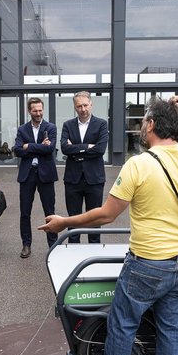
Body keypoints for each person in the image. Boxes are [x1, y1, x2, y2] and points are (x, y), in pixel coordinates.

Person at [40, 95, 178, 355]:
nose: (141, 125)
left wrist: (64, 221)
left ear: (151, 126)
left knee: (122, 325)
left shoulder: (139, 164)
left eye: (144, 121)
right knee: (169, 330)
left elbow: (106, 215)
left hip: (146, 265)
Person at [60, 91, 109, 244]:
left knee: (94, 220)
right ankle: (74, 254)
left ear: (91, 104)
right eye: (79, 106)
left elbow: (100, 149)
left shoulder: (101, 124)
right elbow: (64, 149)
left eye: (85, 105)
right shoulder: (68, 125)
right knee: (73, 220)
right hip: (73, 179)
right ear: (75, 107)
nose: (83, 109)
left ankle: (93, 254)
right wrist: (87, 147)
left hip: (94, 179)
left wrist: (76, 149)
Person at [13, 97, 58, 258]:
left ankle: (53, 246)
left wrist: (29, 146)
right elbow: (17, 150)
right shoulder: (22, 129)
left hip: (46, 175)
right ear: (29, 111)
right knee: (25, 212)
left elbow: (50, 149)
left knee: (50, 212)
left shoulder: (50, 127)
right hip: (27, 175)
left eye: (40, 110)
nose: (38, 113)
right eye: (35, 111)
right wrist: (39, 146)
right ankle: (26, 245)